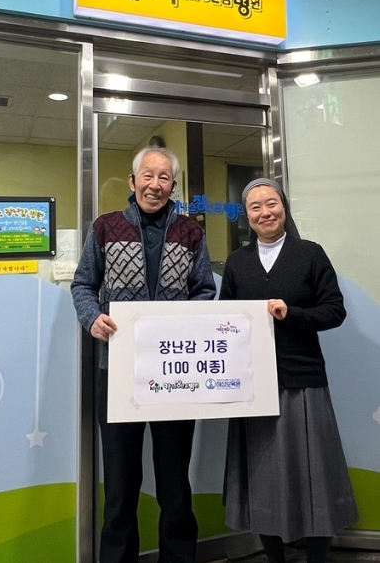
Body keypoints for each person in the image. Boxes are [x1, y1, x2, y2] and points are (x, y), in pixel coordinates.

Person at [71, 146, 216, 563]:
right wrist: (92, 318)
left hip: (175, 374)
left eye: (164, 177)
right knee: (120, 485)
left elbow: (204, 289)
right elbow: (83, 284)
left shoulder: (191, 232)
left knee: (175, 483)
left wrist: (184, 322)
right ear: (133, 182)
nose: (155, 184)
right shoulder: (105, 227)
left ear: (174, 185)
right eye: (147, 176)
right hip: (118, 370)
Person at [220, 178, 358, 563]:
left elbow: (334, 310)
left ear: (284, 207)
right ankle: (274, 557)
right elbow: (224, 317)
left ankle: (316, 557)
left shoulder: (310, 254)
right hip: (252, 385)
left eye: (272, 203)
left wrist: (292, 314)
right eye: (255, 207)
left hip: (303, 380)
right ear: (246, 215)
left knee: (315, 476)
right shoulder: (237, 262)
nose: (265, 212)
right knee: (263, 478)